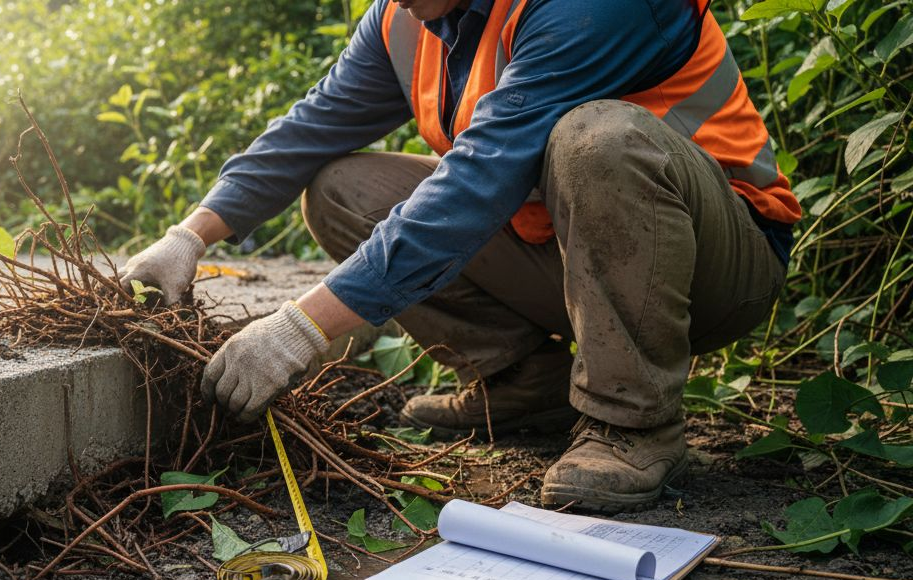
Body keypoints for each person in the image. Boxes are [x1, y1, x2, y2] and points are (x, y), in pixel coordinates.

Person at [118, 0, 800, 512]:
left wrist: (304, 326)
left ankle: (633, 422)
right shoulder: (406, 17)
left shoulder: (591, 7)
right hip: (563, 254)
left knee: (599, 139)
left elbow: (475, 185)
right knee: (342, 190)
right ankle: (523, 387)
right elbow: (310, 129)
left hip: (713, 265)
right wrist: (190, 233)